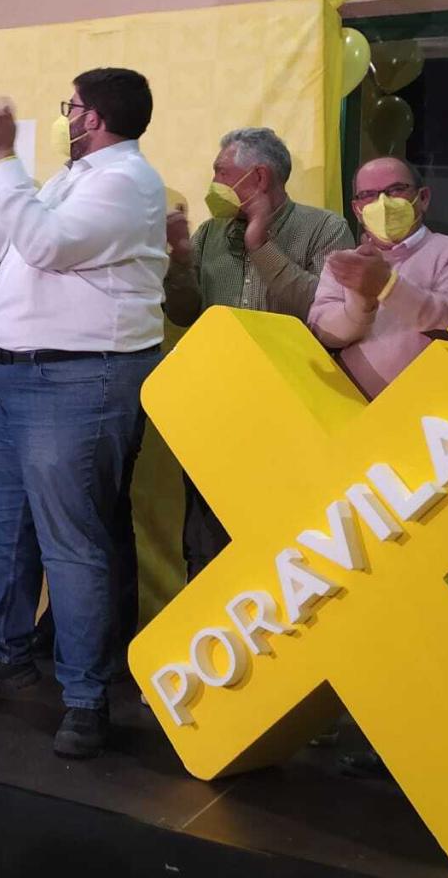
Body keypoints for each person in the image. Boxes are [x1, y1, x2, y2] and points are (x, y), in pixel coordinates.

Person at [0, 69, 166, 760]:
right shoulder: (78, 176)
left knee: (71, 539)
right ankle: (0, 651)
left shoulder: (127, 182)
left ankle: (87, 697)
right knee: (4, 525)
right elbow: (4, 244)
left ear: (92, 117)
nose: (65, 117)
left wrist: (5, 160)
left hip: (76, 377)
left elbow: (45, 245)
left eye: (71, 107)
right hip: (17, 372)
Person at [164, 127, 353, 575]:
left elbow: (320, 308)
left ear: (259, 176)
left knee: (284, 535)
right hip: (216, 409)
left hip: (290, 407)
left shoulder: (326, 228)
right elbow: (186, 313)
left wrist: (260, 245)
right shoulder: (211, 232)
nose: (213, 180)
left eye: (220, 171)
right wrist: (177, 262)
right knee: (207, 539)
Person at [308, 156, 448, 397]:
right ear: (357, 210)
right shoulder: (346, 262)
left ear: (423, 198)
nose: (382, 202)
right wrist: (361, 303)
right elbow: (323, 331)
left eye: (395, 190)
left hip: (427, 407)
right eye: (368, 195)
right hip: (350, 406)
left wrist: (387, 285)